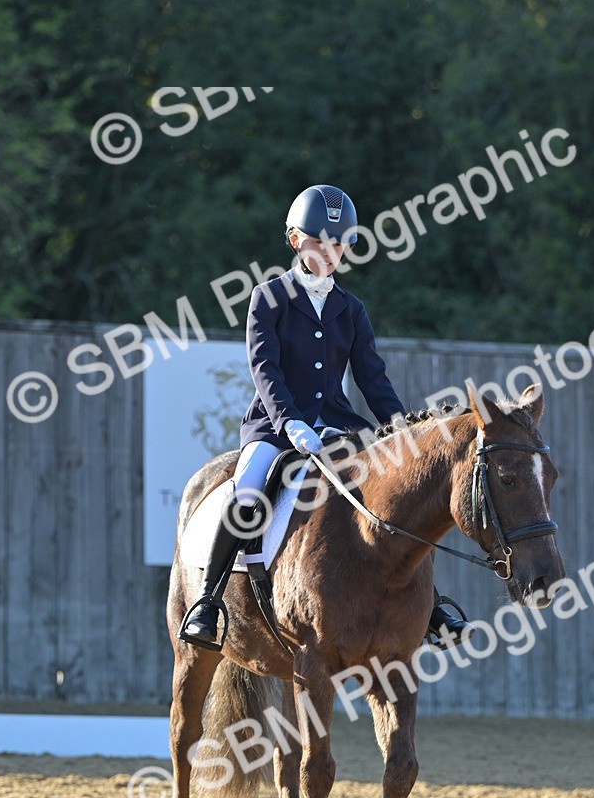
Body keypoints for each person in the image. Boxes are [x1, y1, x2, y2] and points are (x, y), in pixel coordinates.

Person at [180, 183, 473, 651]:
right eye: (321, 242)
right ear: (296, 240)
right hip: (276, 427)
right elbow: (265, 368)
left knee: (402, 495)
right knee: (248, 489)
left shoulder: (350, 310)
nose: (331, 252)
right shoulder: (268, 298)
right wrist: (291, 421)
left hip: (339, 425)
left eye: (339, 244)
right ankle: (209, 603)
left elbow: (373, 380)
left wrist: (403, 431)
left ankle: (431, 606)